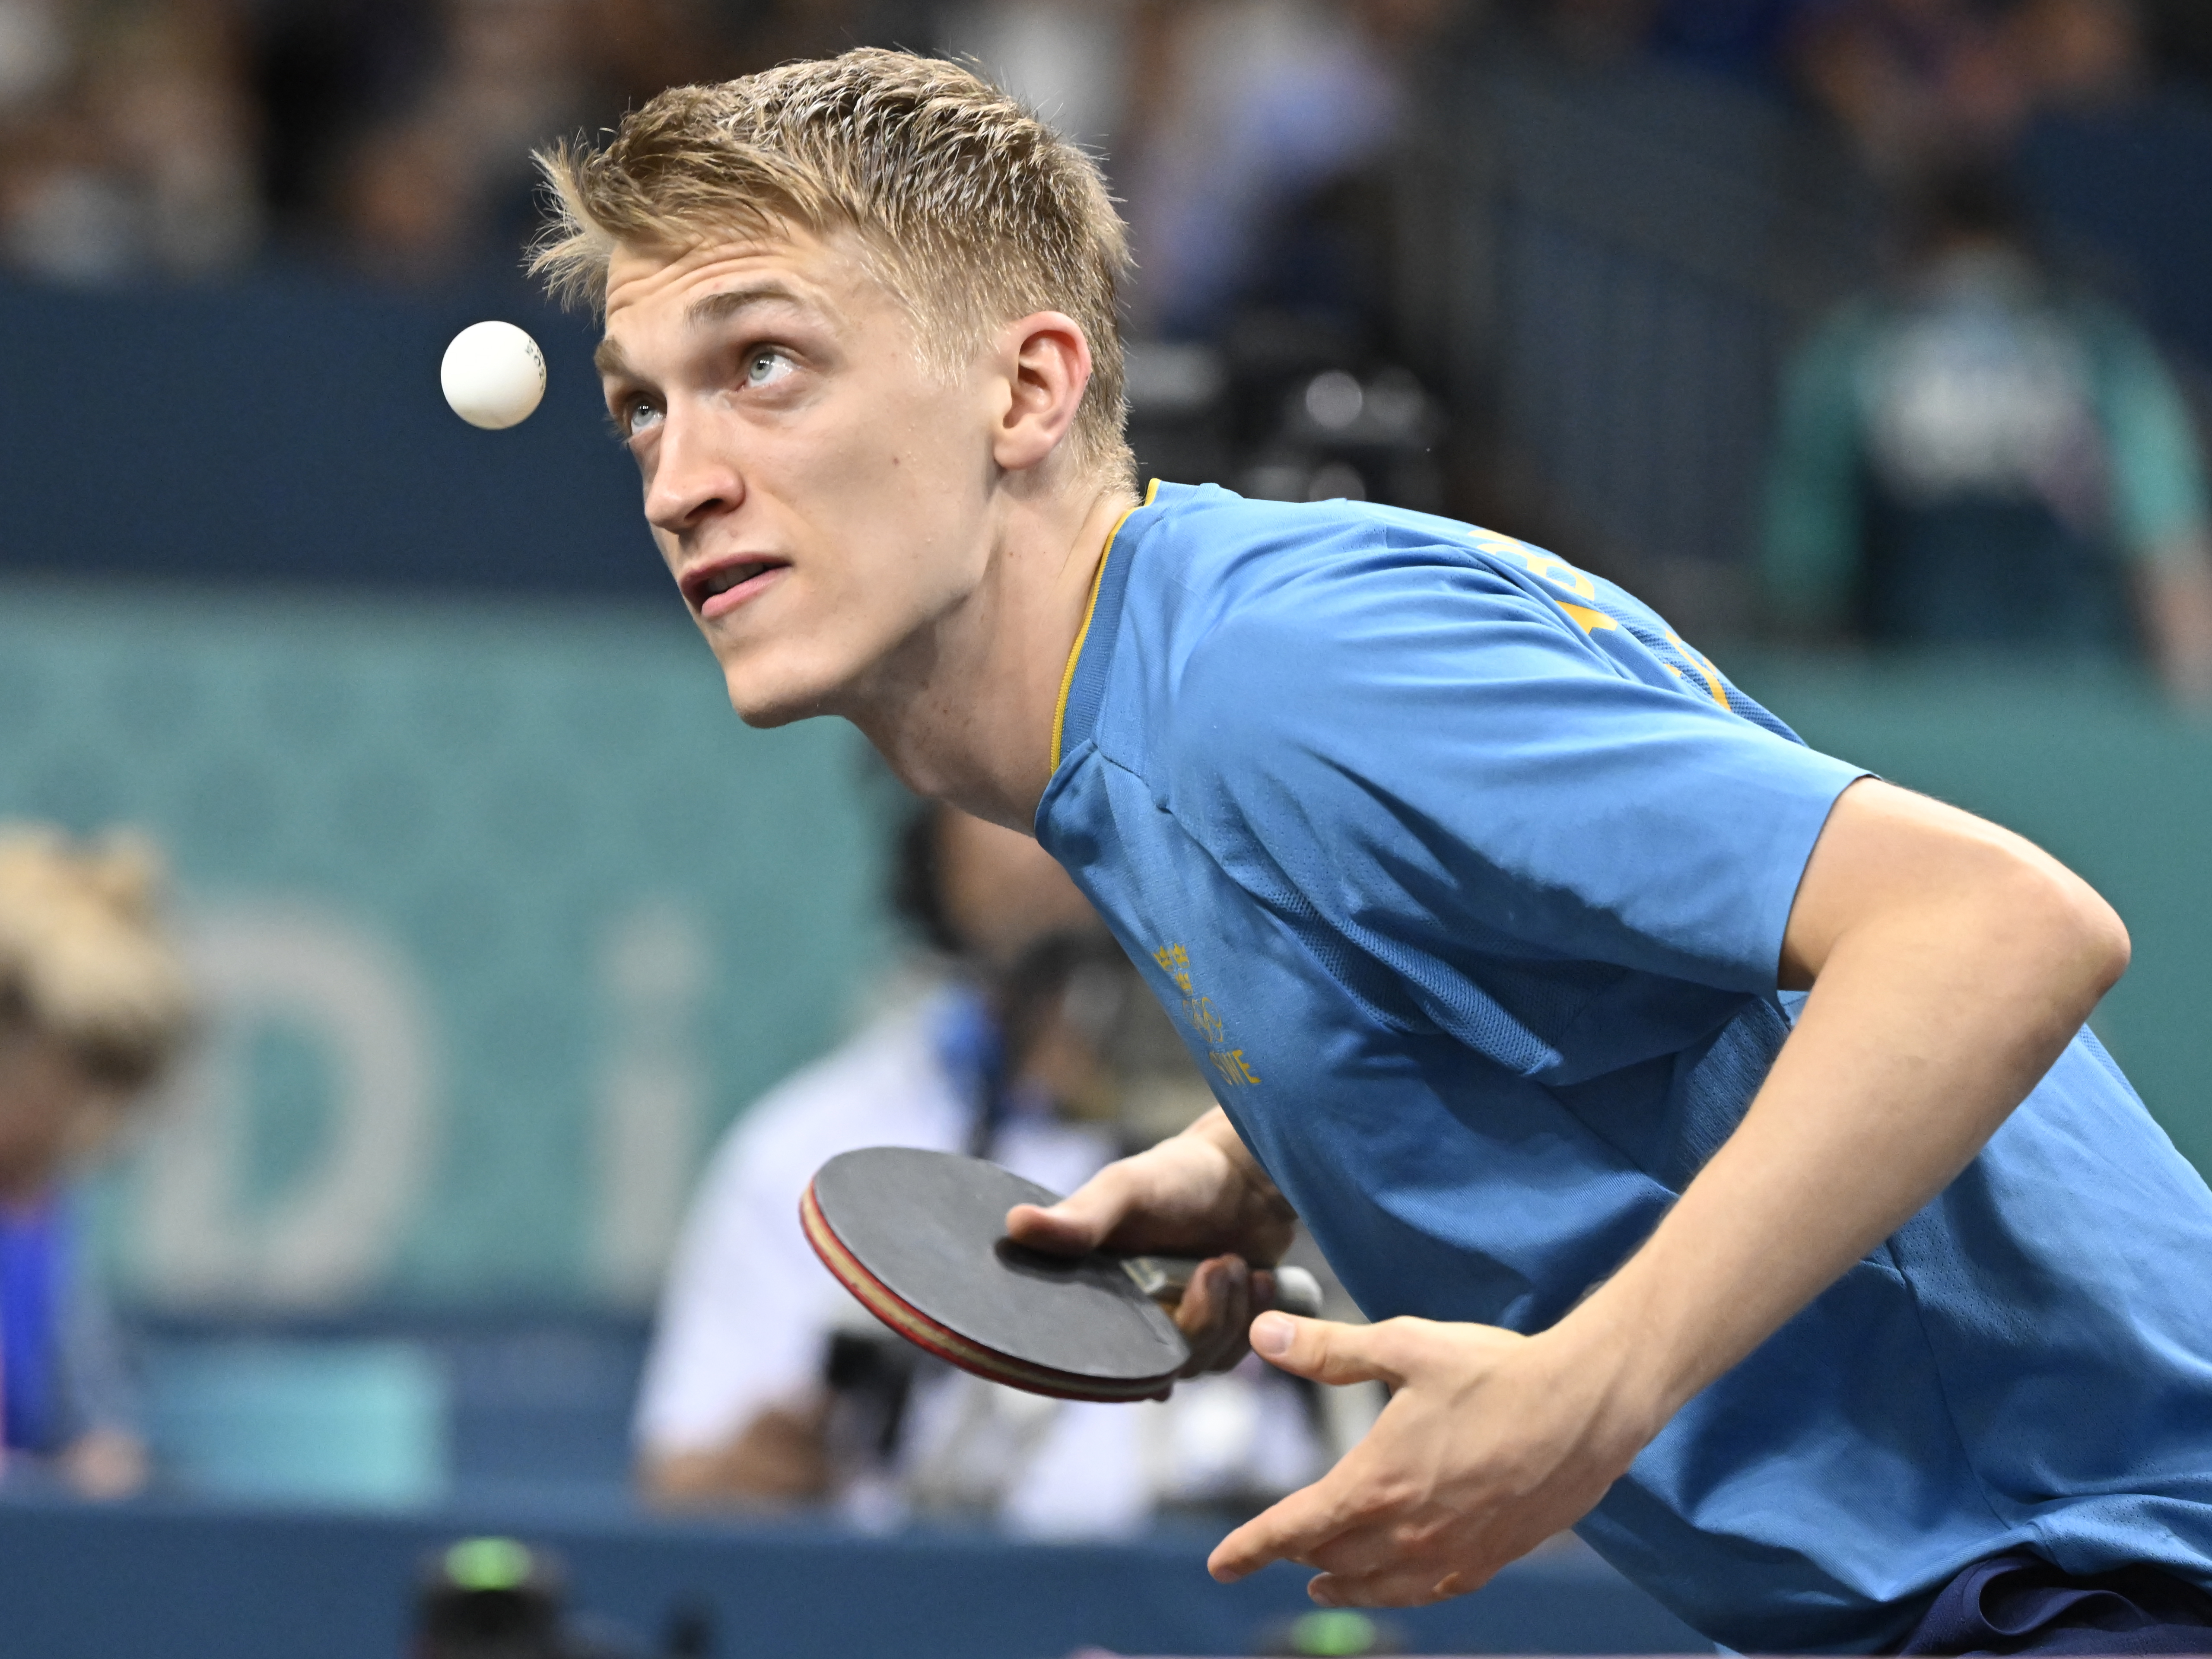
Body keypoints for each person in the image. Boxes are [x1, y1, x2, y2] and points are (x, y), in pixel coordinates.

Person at [532, 51, 2212, 1652]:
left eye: (761, 366)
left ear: (1028, 388)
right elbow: (1574, 962)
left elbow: (1994, 928)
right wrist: (1278, 1138)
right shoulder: (1153, 702)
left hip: (2095, 1572)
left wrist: (1594, 1387)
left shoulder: (1281, 680)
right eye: (637, 410)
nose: (679, 479)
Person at [635, 801, 1321, 1533]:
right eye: (1012, 796)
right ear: (928, 847)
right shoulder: (806, 1149)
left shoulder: (1303, 1135)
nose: (1068, 832)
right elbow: (688, 1491)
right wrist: (768, 1472)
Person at [1764, 161, 2212, 699]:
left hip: (1907, 716)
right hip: (2079, 713)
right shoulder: (2096, 348)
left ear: (1907, 246)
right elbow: (2165, 545)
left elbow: (1801, 576)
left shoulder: (1855, 351)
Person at [0, 825, 194, 1498]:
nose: (96, 1111)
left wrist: (105, 1450)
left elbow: (90, 1402)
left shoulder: (46, 1215)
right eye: (84, 1069)